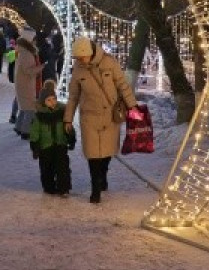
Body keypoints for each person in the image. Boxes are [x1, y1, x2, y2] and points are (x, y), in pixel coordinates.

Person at [64, 36, 138, 203]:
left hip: (110, 115)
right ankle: (95, 188)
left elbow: (122, 85)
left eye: (81, 57)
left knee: (106, 153)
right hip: (89, 116)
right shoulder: (78, 69)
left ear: (89, 53)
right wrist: (68, 119)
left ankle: (103, 175)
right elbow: (73, 96)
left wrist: (132, 106)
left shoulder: (109, 62)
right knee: (93, 154)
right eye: (77, 58)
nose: (79, 60)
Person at [29, 79, 75, 196]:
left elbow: (68, 126)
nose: (52, 102)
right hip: (46, 146)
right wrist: (35, 146)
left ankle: (64, 188)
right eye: (49, 100)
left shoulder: (61, 111)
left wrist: (71, 137)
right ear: (43, 102)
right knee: (47, 168)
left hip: (60, 143)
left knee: (63, 167)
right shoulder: (39, 115)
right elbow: (35, 131)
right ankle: (49, 187)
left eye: (54, 99)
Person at [14, 27, 45, 139]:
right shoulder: (26, 53)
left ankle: (18, 127)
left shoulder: (22, 50)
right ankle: (25, 132)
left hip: (23, 84)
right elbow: (28, 71)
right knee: (30, 109)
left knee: (24, 108)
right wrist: (41, 67)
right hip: (26, 84)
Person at [6, 38, 18, 123]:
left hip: (17, 77)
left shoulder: (13, 52)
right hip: (22, 79)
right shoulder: (17, 53)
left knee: (18, 98)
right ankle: (14, 116)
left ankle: (13, 116)